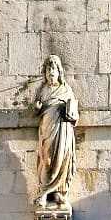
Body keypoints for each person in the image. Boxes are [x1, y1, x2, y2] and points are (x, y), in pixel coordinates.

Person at [34, 55, 78, 207]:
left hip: (63, 130)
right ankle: (45, 190)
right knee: (47, 162)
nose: (50, 73)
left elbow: (74, 114)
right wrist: (38, 108)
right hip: (47, 129)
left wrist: (70, 111)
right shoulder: (43, 91)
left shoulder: (66, 90)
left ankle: (57, 192)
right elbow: (37, 110)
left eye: (53, 69)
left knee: (61, 160)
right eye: (48, 70)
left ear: (59, 72)